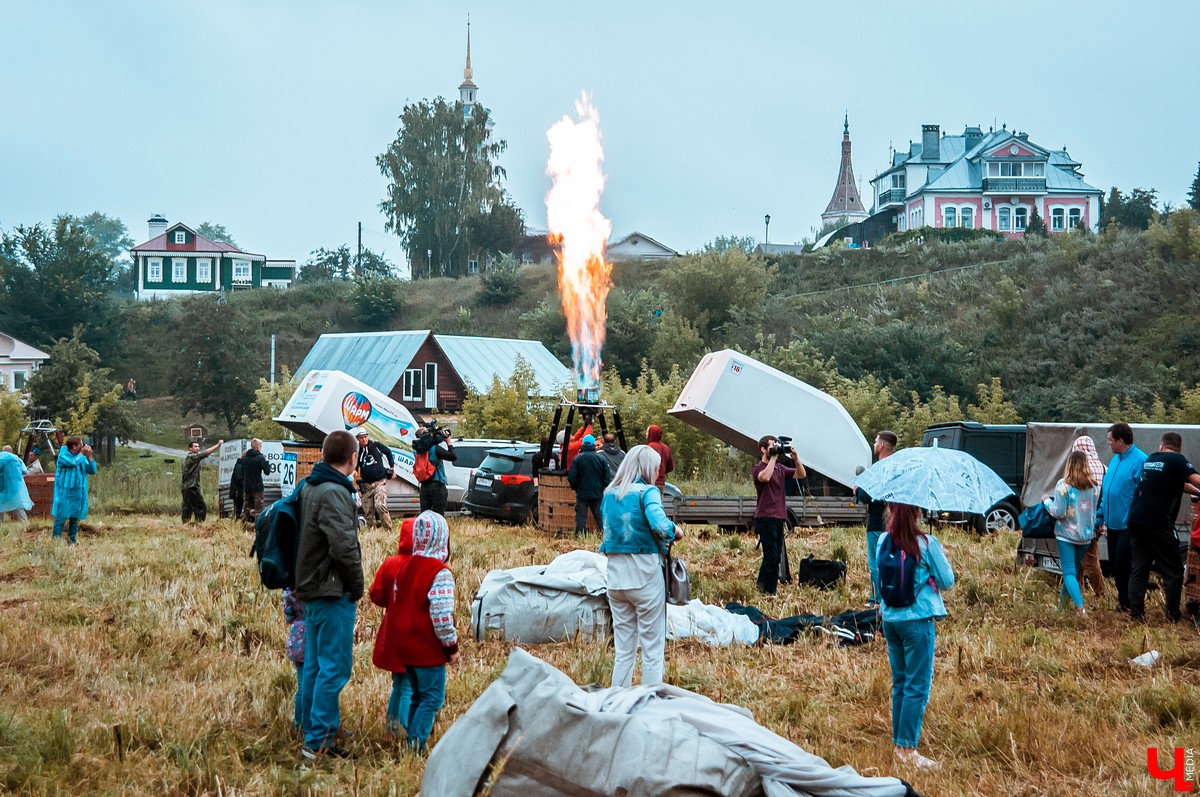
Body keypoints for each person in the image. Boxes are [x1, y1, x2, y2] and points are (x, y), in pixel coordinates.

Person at [294, 430, 363, 759]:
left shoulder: (310, 486)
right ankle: (318, 742)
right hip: (331, 589)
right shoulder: (335, 492)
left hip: (312, 587)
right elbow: (343, 546)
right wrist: (357, 584)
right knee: (333, 669)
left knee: (316, 666)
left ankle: (315, 726)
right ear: (353, 458)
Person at [369, 510, 458, 752]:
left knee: (417, 695)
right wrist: (451, 647)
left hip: (404, 647)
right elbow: (441, 616)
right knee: (431, 698)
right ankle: (414, 745)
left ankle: (406, 732)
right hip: (426, 649)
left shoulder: (405, 566)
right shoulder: (439, 572)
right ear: (441, 538)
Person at [879, 503, 955, 771]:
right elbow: (947, 581)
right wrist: (941, 555)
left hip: (890, 620)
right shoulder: (926, 542)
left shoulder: (882, 540)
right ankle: (907, 749)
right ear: (917, 513)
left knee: (900, 682)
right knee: (917, 685)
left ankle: (899, 744)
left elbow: (879, 577)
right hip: (918, 620)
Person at [599, 445, 680, 688]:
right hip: (644, 575)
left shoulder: (609, 494)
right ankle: (650, 704)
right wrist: (676, 531)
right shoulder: (648, 492)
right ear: (647, 468)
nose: (657, 472)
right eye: (656, 468)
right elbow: (661, 526)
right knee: (652, 648)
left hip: (614, 577)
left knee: (623, 650)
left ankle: (617, 703)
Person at [1126, 432, 1200, 622]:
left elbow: (1181, 484)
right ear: (1178, 447)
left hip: (1135, 519)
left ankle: (1136, 614)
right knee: (1173, 571)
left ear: (1162, 445)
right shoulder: (1177, 459)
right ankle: (1172, 615)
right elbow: (1195, 479)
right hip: (1158, 523)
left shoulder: (1152, 459)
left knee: (1139, 569)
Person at [1096, 422, 1148, 612]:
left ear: (1120, 440)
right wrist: (1099, 516)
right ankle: (1123, 602)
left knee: (1124, 564)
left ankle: (1132, 603)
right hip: (1112, 524)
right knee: (1116, 565)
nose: (1108, 443)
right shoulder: (1115, 461)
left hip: (1128, 525)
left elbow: (1143, 494)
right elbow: (1108, 492)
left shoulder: (1141, 461)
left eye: (1110, 440)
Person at [1042, 451, 1101, 615]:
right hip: (1086, 537)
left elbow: (1059, 512)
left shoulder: (1063, 486)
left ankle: (1080, 607)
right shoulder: (1094, 486)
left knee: (1068, 572)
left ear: (1069, 464)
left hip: (1066, 536)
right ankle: (1062, 608)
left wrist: (1046, 501)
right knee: (1072, 572)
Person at [752, 435, 806, 594]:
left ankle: (771, 591)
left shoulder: (780, 469)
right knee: (770, 557)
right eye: (771, 446)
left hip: (779, 517)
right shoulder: (758, 468)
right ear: (763, 449)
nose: (775, 449)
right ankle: (761, 589)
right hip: (765, 517)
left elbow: (801, 474)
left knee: (776, 559)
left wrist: (796, 459)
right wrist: (774, 458)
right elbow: (765, 477)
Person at [855, 430, 897, 607]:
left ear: (881, 446)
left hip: (876, 522)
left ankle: (877, 598)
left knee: (875, 562)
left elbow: (865, 496)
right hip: (895, 521)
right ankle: (892, 592)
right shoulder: (897, 467)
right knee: (892, 559)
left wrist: (858, 488)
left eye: (875, 442)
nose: (873, 445)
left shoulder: (878, 469)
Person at [1071, 435, 1107, 597]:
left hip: (1080, 521)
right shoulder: (1104, 468)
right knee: (1084, 557)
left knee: (1089, 560)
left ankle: (1100, 593)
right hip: (1098, 520)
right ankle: (1079, 591)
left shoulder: (1080, 471)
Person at [51, 436, 97, 544]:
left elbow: (92, 470)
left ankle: (72, 540)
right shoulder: (63, 455)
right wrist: (82, 453)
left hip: (78, 493)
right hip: (65, 492)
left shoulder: (81, 457)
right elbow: (72, 463)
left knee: (75, 518)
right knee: (61, 516)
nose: (83, 446)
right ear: (74, 446)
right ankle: (56, 540)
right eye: (81, 444)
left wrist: (89, 456)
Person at [567, 434, 610, 537]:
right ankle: (604, 536)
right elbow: (607, 477)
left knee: (581, 517)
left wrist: (576, 487)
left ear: (583, 444)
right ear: (593, 444)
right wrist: (602, 487)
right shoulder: (601, 459)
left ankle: (581, 537)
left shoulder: (577, 459)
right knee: (600, 517)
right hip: (597, 493)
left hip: (582, 493)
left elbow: (571, 477)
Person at [413, 423, 457, 515]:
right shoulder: (435, 449)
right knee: (439, 515)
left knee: (424, 515)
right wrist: (448, 442)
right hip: (437, 485)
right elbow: (453, 456)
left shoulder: (417, 450)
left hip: (424, 486)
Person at [355, 430, 395, 531]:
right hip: (366, 485)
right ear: (357, 439)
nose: (364, 439)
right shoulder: (357, 451)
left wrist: (392, 467)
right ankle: (372, 532)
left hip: (379, 482)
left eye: (365, 437)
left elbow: (388, 452)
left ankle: (388, 530)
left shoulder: (376, 445)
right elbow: (355, 464)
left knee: (380, 505)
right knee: (368, 511)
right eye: (361, 438)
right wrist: (354, 472)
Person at [181, 438, 223, 523]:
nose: (197, 448)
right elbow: (204, 454)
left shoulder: (188, 459)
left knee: (187, 506)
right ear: (190, 448)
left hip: (186, 487)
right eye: (195, 446)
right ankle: (199, 522)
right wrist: (218, 445)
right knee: (200, 506)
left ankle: (186, 523)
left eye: (198, 446)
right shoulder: (191, 457)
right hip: (191, 486)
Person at [283, 588, 306, 732]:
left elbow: (288, 614)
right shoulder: (312, 585)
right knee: (310, 685)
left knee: (302, 684)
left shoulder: (289, 589)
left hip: (296, 638)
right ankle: (305, 723)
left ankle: (299, 722)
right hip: (311, 638)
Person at [240, 438, 273, 524]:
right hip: (257, 487)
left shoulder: (245, 458)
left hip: (247, 487)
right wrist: (267, 462)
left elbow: (242, 471)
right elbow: (267, 472)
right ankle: (258, 527)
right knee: (259, 509)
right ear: (258, 447)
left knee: (246, 508)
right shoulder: (260, 458)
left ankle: (243, 526)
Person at [0, 445, 32, 522]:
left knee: (0, 504)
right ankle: (25, 524)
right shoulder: (17, 459)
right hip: (14, 487)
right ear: (11, 451)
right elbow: (24, 472)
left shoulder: (0, 458)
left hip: (2, 486)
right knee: (18, 505)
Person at [230, 450, 246, 519]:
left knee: (239, 507)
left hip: (238, 491)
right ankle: (238, 519)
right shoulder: (239, 466)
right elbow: (239, 479)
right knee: (239, 507)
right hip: (238, 491)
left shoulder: (240, 465)